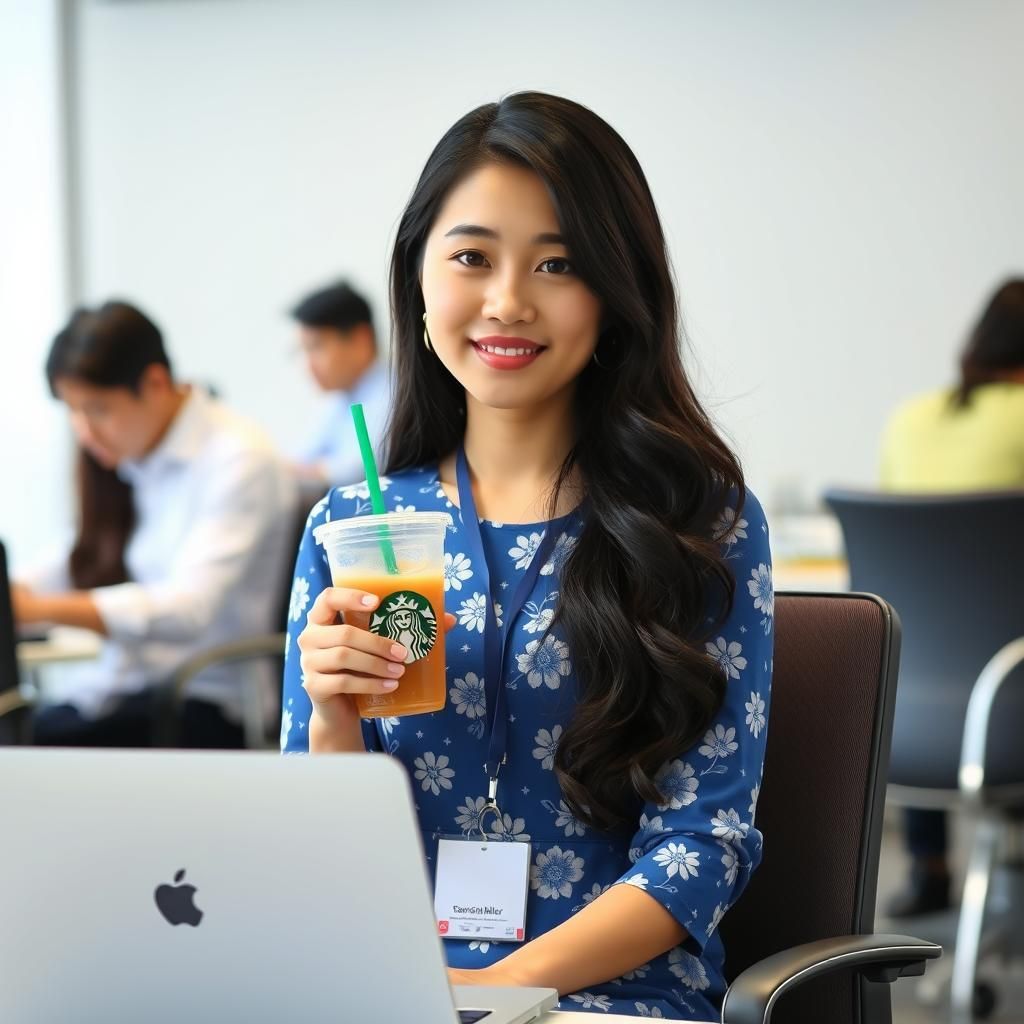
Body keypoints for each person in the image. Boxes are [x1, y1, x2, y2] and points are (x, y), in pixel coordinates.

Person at [282, 92, 773, 1020]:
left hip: (611, 1001)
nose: (508, 300)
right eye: (472, 257)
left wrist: (489, 993)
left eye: (558, 263)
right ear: (418, 278)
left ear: (615, 293)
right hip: (394, 994)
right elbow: (313, 860)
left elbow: (703, 842)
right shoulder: (351, 527)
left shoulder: (699, 523)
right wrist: (333, 722)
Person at [13, 300, 296, 747]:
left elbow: (189, 608)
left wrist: (41, 610)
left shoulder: (239, 459)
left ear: (155, 383)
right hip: (128, 691)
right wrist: (16, 593)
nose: (84, 431)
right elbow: (75, 556)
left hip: (204, 701)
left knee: (26, 750)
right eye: (73, 412)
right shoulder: (131, 458)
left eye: (97, 409)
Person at [880, 278, 1024, 918]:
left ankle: (929, 867)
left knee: (928, 640)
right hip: (1008, 707)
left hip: (908, 712)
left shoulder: (912, 419)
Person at [290, 280, 391, 486]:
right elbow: (304, 458)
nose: (308, 365)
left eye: (316, 347)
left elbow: (360, 469)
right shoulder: (339, 399)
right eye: (303, 350)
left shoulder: (397, 395)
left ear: (361, 340)